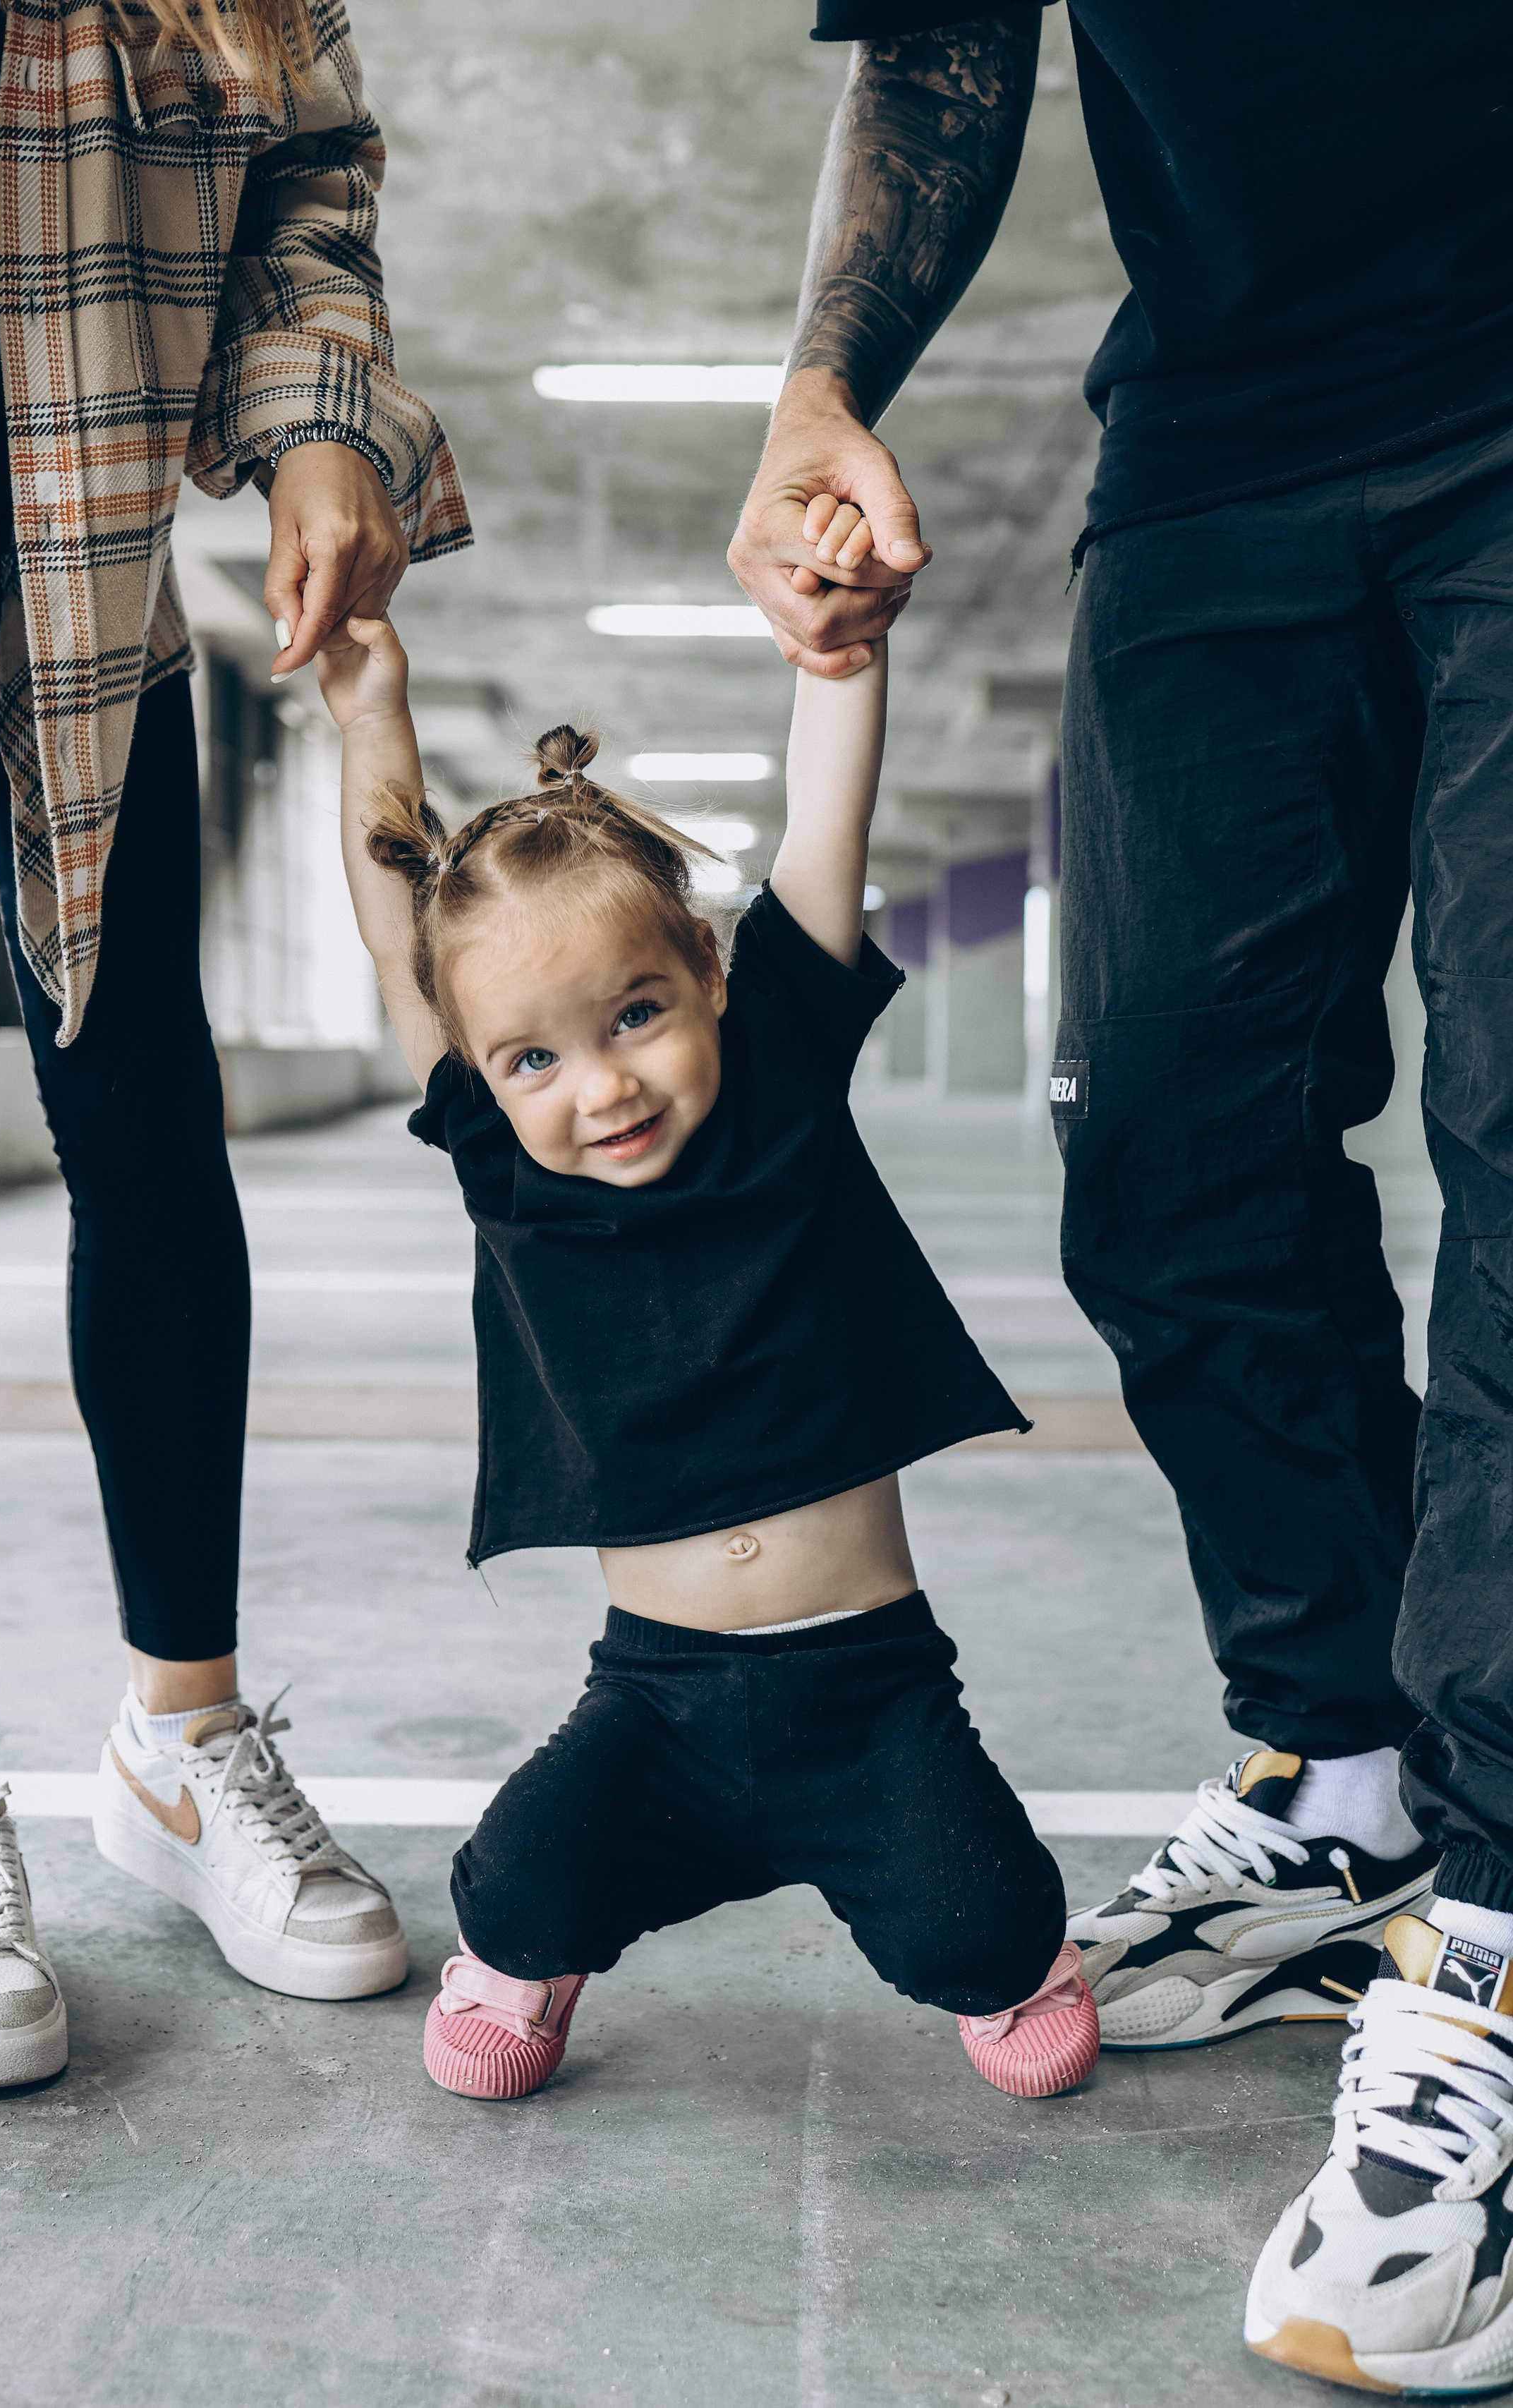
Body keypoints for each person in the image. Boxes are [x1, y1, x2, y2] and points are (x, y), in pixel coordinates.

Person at [727, 2, 1513, 2392]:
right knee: (1164, 1143)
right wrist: (819, 380)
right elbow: (951, 44)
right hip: (1223, 429)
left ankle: (1489, 1926)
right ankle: (1346, 1772)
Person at [0, 0, 469, 2091]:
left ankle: (183, 1732)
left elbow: (312, 170)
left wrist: (324, 418)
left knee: (142, 1094)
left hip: (58, 503)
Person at [314, 591, 1100, 2106]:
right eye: (531, 1057)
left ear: (711, 980)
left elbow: (824, 825)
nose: (597, 1084)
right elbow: (390, 923)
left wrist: (838, 663)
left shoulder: (781, 1079)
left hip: (871, 1695)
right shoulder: (508, 1178)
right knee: (514, 1888)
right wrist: (366, 722)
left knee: (994, 1945)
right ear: (482, 1073)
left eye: (634, 1015)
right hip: (653, 1701)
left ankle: (1005, 1950)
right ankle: (535, 1963)